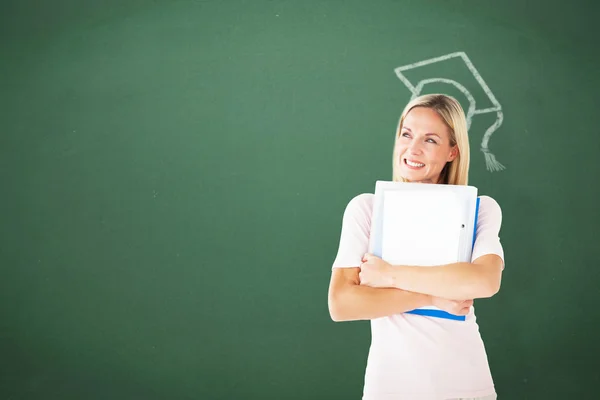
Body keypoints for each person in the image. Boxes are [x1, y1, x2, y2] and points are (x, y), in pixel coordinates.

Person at [328, 94, 505, 400]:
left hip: (464, 384)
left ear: (453, 151)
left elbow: (484, 281)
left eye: (431, 140)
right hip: (390, 386)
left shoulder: (479, 209)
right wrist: (433, 296)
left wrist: (389, 275)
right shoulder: (367, 209)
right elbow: (342, 303)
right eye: (407, 134)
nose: (413, 148)